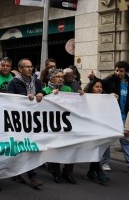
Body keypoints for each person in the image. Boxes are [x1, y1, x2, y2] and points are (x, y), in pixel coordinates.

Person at [89, 61, 129, 173]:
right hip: (111, 116)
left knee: (125, 140)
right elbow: (100, 84)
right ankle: (105, 162)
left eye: (121, 71)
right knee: (108, 140)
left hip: (125, 116)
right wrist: (93, 78)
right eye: (116, 70)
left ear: (126, 71)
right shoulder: (111, 80)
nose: (118, 73)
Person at [7, 58, 44, 189]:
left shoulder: (37, 81)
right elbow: (9, 98)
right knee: (22, 147)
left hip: (33, 120)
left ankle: (26, 174)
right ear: (20, 69)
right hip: (18, 120)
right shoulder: (14, 81)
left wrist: (40, 93)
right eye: (27, 67)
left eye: (31, 66)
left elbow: (42, 92)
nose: (30, 69)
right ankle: (28, 175)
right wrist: (24, 97)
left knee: (30, 148)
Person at [41, 69, 77, 183]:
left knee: (70, 147)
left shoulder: (68, 89)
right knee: (56, 148)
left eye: (62, 76)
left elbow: (74, 103)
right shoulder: (45, 90)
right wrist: (51, 95)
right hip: (53, 124)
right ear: (51, 78)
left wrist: (80, 95)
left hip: (67, 123)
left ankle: (68, 173)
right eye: (57, 76)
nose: (60, 78)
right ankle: (56, 173)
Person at [84, 79, 111, 184]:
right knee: (95, 149)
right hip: (90, 128)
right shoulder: (86, 98)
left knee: (97, 150)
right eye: (97, 87)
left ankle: (91, 172)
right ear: (91, 88)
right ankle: (99, 172)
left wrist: (112, 99)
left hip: (100, 128)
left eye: (100, 87)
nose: (99, 89)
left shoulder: (105, 99)